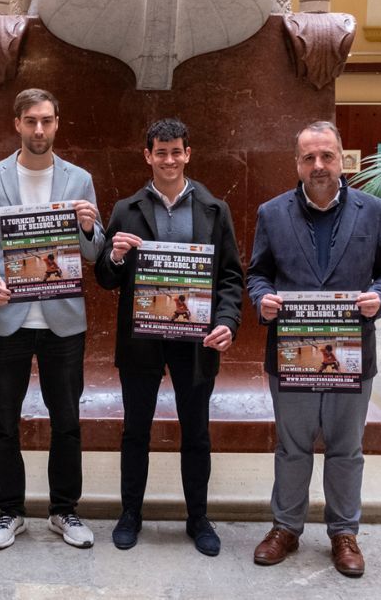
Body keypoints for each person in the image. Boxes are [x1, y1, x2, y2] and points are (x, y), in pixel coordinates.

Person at [246, 121, 381, 577]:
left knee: (346, 448)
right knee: (291, 447)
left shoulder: (372, 211)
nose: (318, 165)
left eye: (327, 156)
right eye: (309, 158)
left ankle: (343, 533)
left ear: (342, 159)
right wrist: (263, 299)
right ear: (296, 163)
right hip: (292, 354)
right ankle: (286, 528)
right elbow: (257, 273)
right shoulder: (271, 213)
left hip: (350, 356)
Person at [95, 118, 244, 556]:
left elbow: (231, 277)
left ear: (188, 153)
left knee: (196, 432)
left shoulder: (215, 209)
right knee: (134, 431)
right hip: (141, 340)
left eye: (176, 151)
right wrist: (116, 257)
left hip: (196, 343)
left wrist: (228, 321)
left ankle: (198, 518)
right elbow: (105, 277)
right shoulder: (126, 208)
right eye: (160, 152)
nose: (169, 159)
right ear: (148, 156)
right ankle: (130, 514)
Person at [0, 88, 105, 550]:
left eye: (46, 120)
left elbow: (93, 253)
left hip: (63, 322)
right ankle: (10, 512)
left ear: (58, 122)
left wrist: (88, 228)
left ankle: (64, 510)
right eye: (31, 121)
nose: (39, 129)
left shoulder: (79, 179)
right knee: (4, 420)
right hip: (7, 319)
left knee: (66, 420)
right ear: (17, 124)